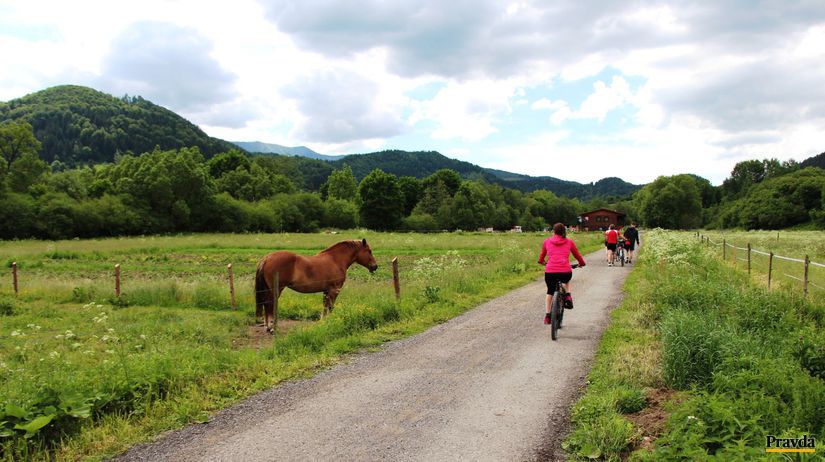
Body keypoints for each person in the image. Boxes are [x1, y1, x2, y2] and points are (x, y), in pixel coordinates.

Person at [538, 223, 586, 325]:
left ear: (553, 231)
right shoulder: (569, 242)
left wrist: (542, 262)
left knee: (550, 292)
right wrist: (581, 263)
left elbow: (541, 257)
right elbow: (577, 255)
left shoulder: (547, 241)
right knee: (566, 279)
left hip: (550, 272)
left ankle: (547, 316)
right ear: (564, 231)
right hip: (565, 271)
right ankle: (568, 295)